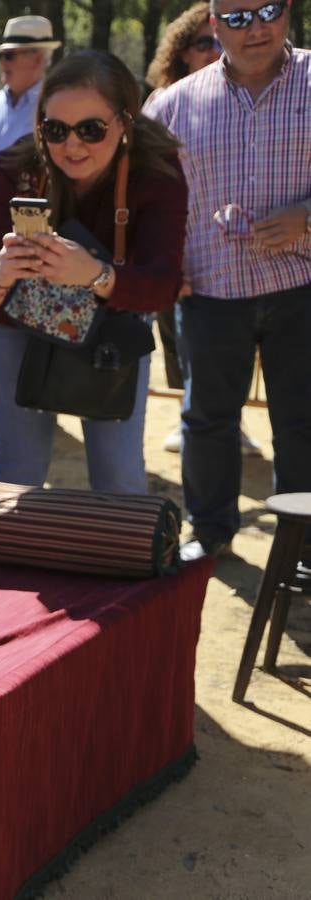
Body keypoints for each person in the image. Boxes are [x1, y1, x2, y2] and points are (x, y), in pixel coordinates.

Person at [0, 51, 188, 494]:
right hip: (16, 323)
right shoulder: (16, 167)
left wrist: (95, 275)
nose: (73, 145)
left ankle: (120, 561)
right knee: (18, 474)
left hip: (111, 326)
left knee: (118, 478)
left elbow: (163, 285)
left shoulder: (155, 171)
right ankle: (18, 561)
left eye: (91, 129)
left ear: (125, 122)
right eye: (56, 129)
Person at [143, 0, 311, 563]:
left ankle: (302, 546)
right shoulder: (173, 103)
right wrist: (167, 261)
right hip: (212, 292)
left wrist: (306, 218)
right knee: (206, 421)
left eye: (267, 10)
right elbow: (147, 195)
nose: (255, 28)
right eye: (237, 17)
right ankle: (210, 532)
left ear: (288, 11)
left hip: (303, 288)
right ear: (214, 25)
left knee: (303, 423)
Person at [143, 4, 251, 456]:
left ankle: (234, 421)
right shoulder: (164, 102)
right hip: (180, 245)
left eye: (213, 42)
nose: (210, 51)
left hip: (240, 247)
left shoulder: (250, 93)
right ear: (181, 53)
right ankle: (194, 416)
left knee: (241, 344)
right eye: (201, 44)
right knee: (179, 338)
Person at [0, 17, 60, 219]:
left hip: (21, 224)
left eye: (9, 55)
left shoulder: (53, 106)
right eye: (1, 55)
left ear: (38, 59)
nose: (2, 62)